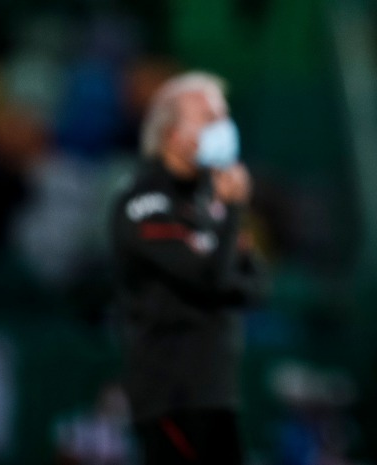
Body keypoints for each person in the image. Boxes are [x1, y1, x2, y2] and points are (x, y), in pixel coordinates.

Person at [110, 72, 265, 465]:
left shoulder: (208, 205)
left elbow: (255, 285)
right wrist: (232, 214)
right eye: (208, 117)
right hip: (171, 393)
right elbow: (210, 277)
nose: (223, 127)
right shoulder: (143, 203)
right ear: (170, 131)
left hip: (218, 391)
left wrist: (226, 231)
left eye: (223, 115)